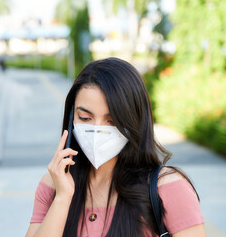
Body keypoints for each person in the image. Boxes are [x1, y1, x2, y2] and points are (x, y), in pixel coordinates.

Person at [25, 58, 205, 237]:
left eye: (112, 121)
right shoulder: (54, 184)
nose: (97, 129)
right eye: (85, 118)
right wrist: (62, 198)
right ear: (72, 117)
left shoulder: (167, 187)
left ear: (133, 120)